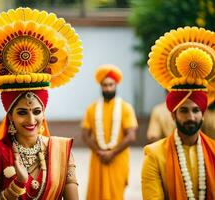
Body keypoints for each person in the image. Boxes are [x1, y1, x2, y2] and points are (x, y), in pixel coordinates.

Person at [0, 7, 83, 200]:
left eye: (37, 111)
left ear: (43, 113)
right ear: (10, 115)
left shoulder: (61, 151)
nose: (31, 119)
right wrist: (17, 185)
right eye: (22, 112)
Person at [142, 26, 215, 199]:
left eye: (196, 110)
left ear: (203, 113)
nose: (191, 117)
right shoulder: (154, 155)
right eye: (183, 110)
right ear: (173, 114)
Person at [81, 64, 138, 200]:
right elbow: (85, 135)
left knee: (116, 193)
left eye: (110, 85)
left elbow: (131, 136)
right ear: (100, 86)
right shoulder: (92, 108)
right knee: (96, 193)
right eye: (105, 85)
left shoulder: (125, 108)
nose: (108, 88)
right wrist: (100, 152)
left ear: (116, 85)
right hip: (98, 158)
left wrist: (112, 153)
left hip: (118, 158)